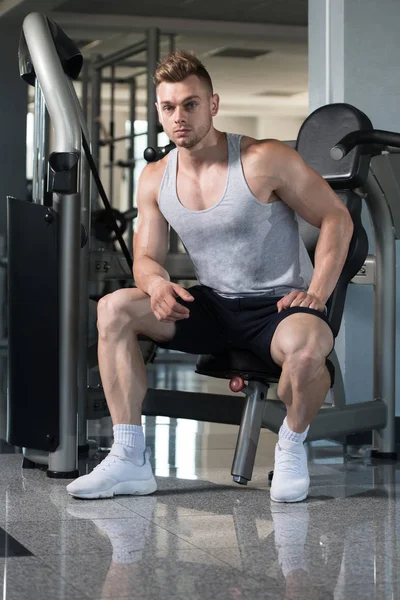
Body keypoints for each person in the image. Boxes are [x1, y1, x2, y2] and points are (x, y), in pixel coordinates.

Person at [67, 50, 353, 503]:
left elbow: (337, 218)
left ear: (213, 104)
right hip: (215, 305)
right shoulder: (155, 177)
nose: (178, 117)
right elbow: (145, 256)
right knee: (115, 308)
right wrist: (157, 284)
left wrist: (316, 293)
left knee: (307, 349)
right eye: (168, 107)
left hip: (276, 307)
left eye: (190, 104)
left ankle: (291, 448)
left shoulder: (263, 159)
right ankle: (129, 459)